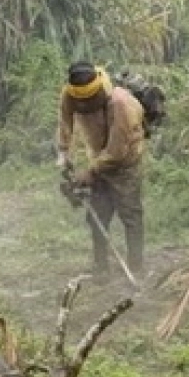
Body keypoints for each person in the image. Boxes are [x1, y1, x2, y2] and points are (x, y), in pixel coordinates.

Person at [57, 61, 146, 282]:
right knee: (97, 216)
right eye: (80, 101)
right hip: (98, 159)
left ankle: (136, 266)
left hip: (125, 162)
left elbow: (117, 151)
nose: (84, 104)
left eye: (88, 100)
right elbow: (65, 125)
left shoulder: (120, 103)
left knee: (131, 215)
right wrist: (63, 155)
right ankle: (101, 267)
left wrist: (90, 171)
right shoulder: (70, 95)